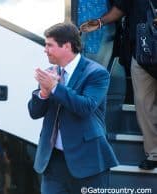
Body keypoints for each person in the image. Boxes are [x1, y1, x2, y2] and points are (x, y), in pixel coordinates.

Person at [28, 22, 118, 194]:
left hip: (88, 162)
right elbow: (34, 112)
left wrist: (55, 87)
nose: (45, 49)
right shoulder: (50, 72)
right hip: (53, 161)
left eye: (49, 45)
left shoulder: (96, 73)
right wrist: (44, 94)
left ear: (67, 46)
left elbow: (85, 107)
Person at [80, 0, 157, 170]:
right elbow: (121, 7)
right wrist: (100, 22)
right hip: (142, 51)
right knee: (143, 103)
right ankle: (154, 154)